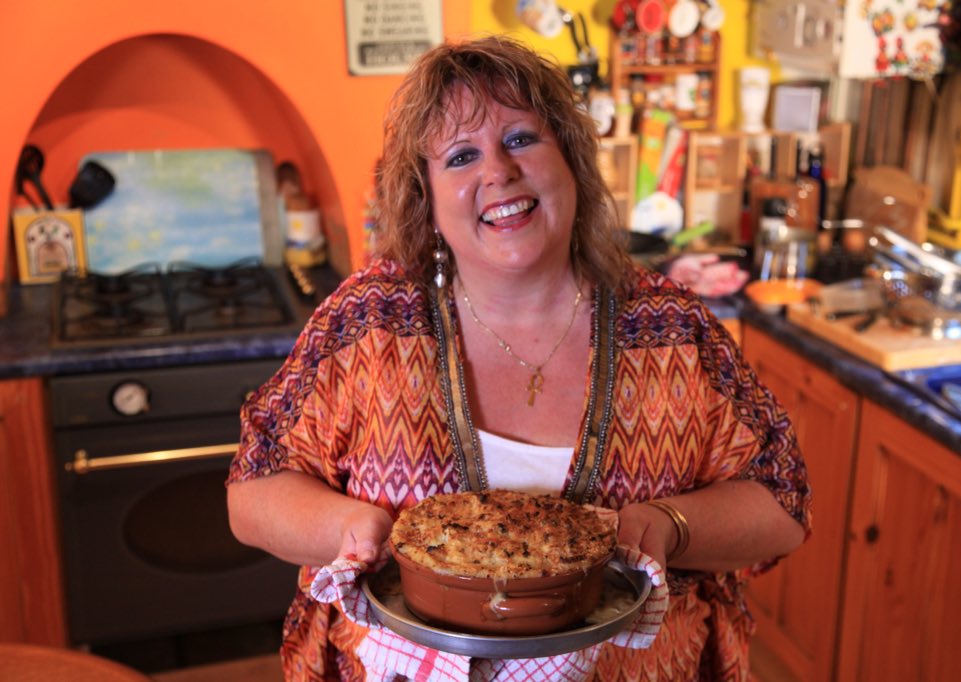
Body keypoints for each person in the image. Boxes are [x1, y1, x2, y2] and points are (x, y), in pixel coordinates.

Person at [227, 35, 811, 681]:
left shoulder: (672, 329)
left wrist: (669, 525)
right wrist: (353, 527)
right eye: (461, 156)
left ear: (571, 160)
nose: (497, 172)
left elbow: (781, 502)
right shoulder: (369, 323)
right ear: (427, 196)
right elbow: (254, 491)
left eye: (521, 139)